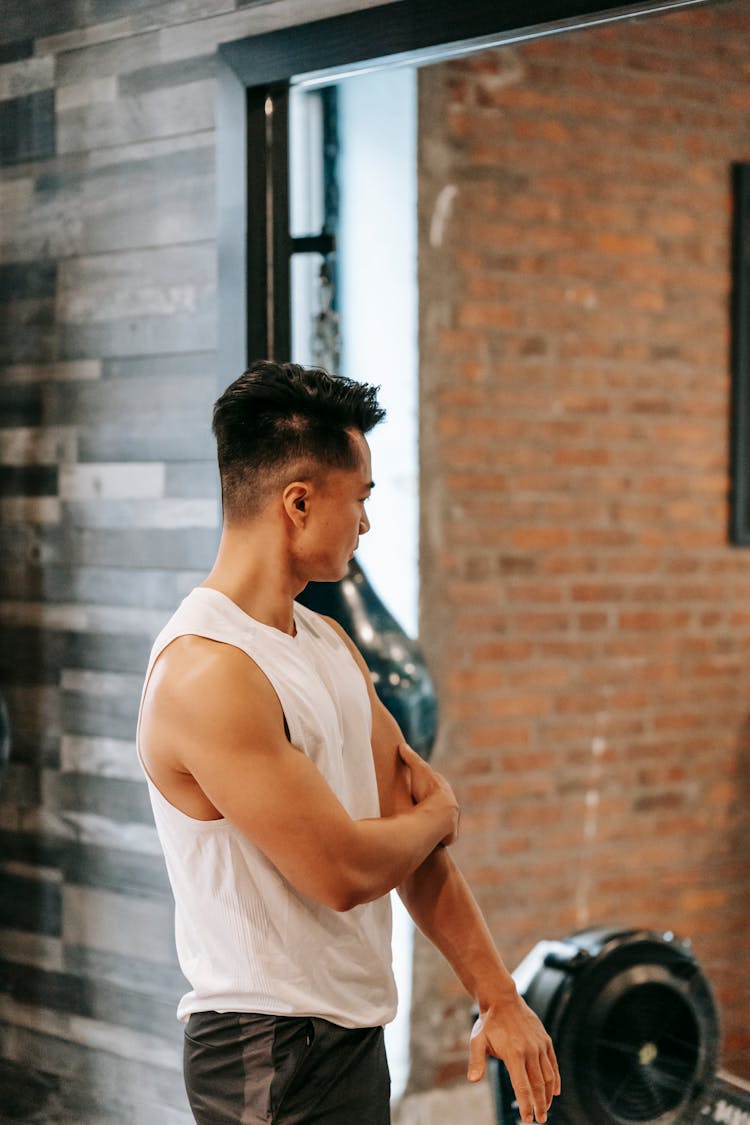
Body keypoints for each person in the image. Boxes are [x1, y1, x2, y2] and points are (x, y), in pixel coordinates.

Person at [137, 360, 560, 1125]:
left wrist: (498, 995)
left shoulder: (329, 642)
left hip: (352, 1034)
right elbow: (341, 868)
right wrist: (438, 813)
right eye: (360, 499)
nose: (366, 524)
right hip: (266, 1047)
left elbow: (405, 839)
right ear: (299, 502)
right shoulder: (205, 673)